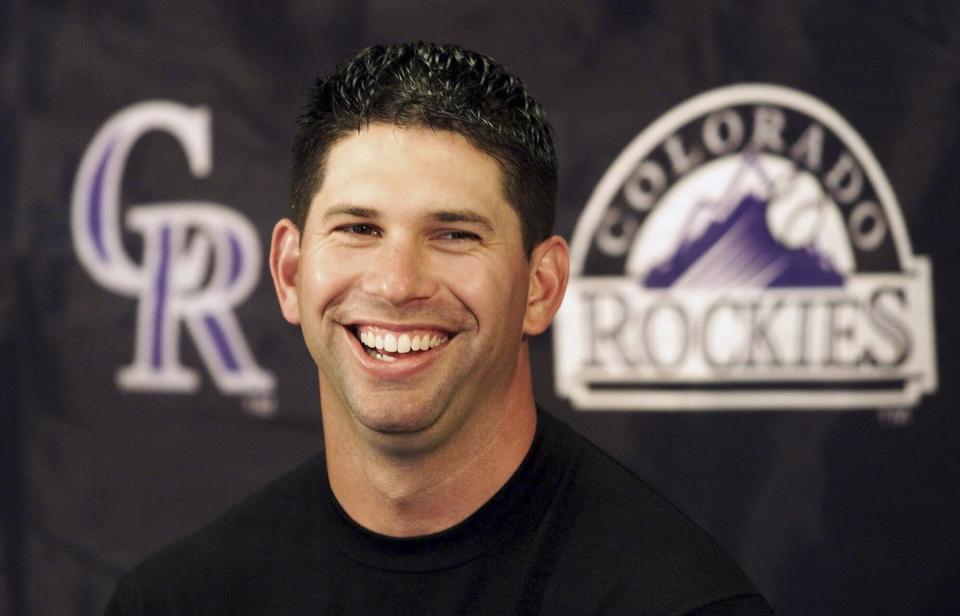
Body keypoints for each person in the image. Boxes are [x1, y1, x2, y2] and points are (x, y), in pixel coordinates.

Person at [104, 42, 773, 615]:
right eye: (359, 228)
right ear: (288, 272)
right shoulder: (175, 602)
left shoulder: (679, 605)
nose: (397, 283)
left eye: (454, 234)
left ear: (541, 287)